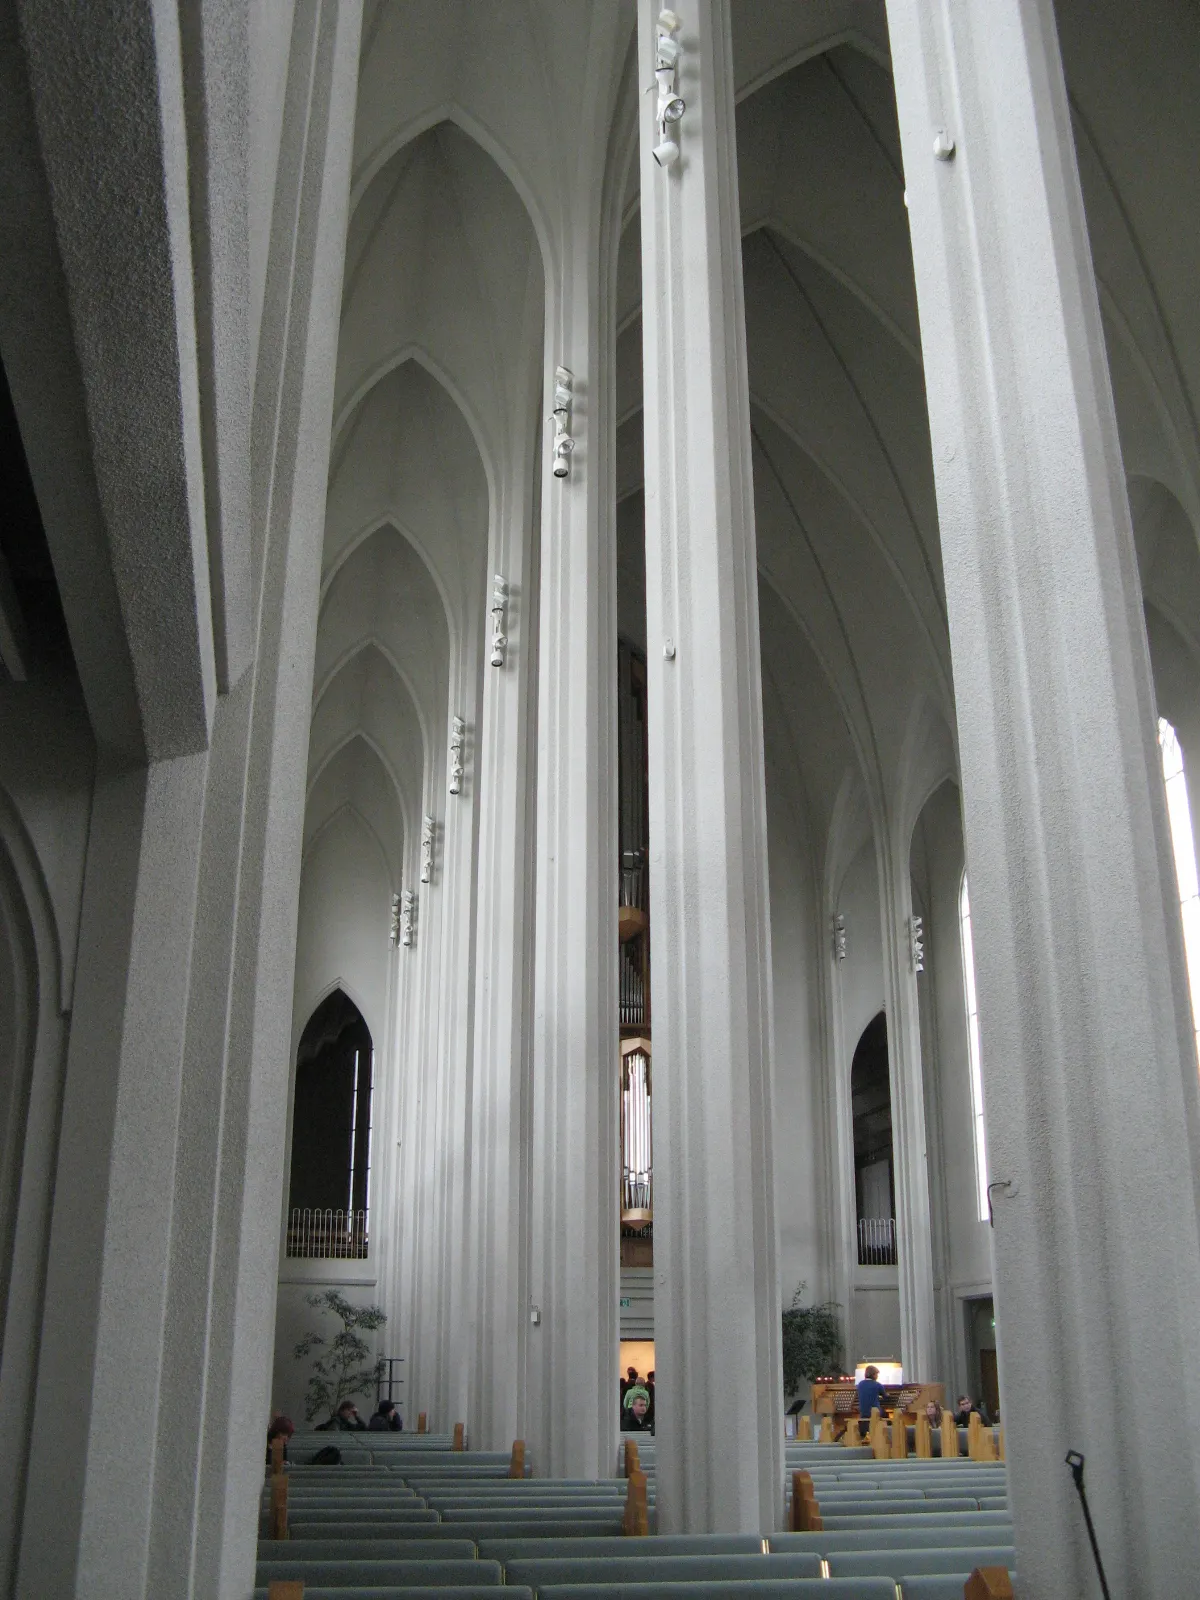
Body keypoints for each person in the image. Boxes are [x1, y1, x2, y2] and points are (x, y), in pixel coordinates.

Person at [855, 1364, 887, 1438]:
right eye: (876, 1374)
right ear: (873, 1375)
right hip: (874, 1412)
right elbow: (885, 1397)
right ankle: (884, 1436)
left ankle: (864, 1435)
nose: (877, 1376)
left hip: (863, 1412)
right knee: (886, 1414)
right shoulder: (877, 1385)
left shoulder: (860, 1384)